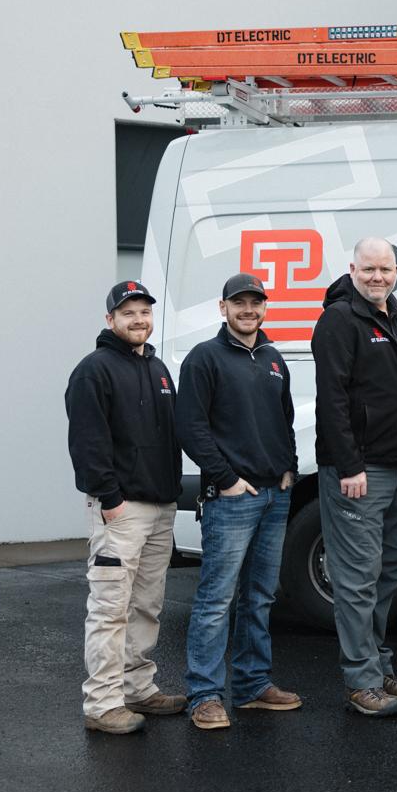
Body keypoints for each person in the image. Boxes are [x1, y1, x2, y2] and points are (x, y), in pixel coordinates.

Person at [312, 237, 397, 719]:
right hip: (359, 472)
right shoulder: (340, 321)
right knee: (356, 577)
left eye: (385, 269)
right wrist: (349, 466)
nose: (377, 277)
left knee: (388, 570)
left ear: (396, 271)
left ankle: (378, 664)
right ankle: (360, 680)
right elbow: (333, 399)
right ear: (353, 269)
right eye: (369, 269)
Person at [176, 272, 302, 730]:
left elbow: (284, 419)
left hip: (275, 494)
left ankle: (252, 686)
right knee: (216, 599)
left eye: (255, 303)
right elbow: (190, 427)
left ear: (264, 307)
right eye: (239, 303)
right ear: (223, 307)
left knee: (260, 597)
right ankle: (204, 694)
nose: (248, 311)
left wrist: (288, 467)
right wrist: (226, 479)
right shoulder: (204, 358)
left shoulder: (272, 359)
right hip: (233, 499)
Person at [65, 281, 185, 734]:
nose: (139, 319)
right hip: (122, 510)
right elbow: (87, 442)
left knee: (147, 606)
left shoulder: (156, 368)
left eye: (144, 312)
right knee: (110, 608)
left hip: (159, 507)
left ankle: (138, 689)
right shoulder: (93, 370)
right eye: (129, 312)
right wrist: (110, 499)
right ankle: (102, 704)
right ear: (110, 319)